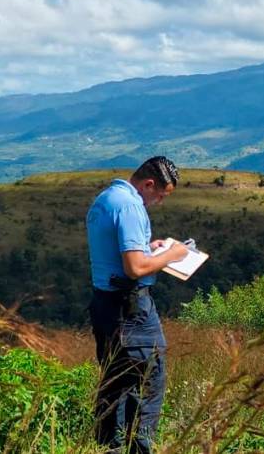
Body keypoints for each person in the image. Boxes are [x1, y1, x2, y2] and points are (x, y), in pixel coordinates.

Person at [87, 156, 187, 453]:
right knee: (148, 384)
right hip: (131, 312)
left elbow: (122, 254)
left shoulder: (107, 198)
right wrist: (173, 254)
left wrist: (149, 248)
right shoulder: (131, 206)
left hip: (105, 305)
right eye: (159, 196)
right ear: (149, 184)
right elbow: (135, 269)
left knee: (115, 385)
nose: (158, 202)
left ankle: (109, 448)